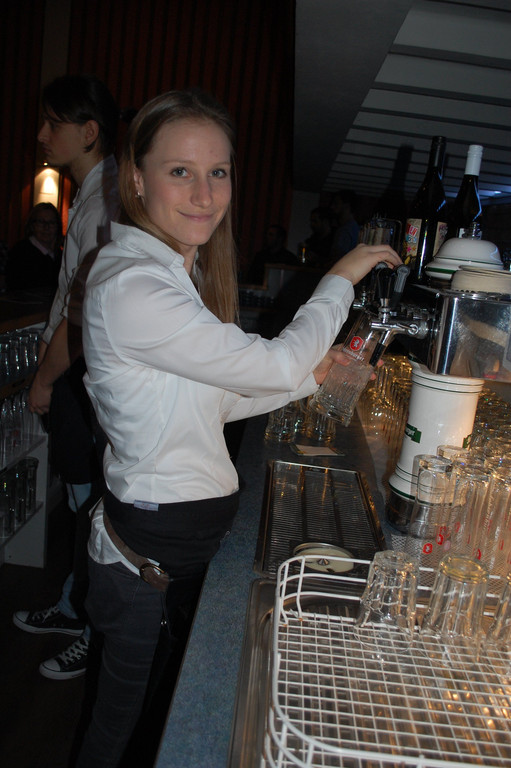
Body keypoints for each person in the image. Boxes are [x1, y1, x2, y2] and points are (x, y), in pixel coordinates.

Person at [74, 88, 400, 767]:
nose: (203, 194)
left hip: (161, 545)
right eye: (180, 171)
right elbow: (274, 362)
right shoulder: (136, 286)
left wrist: (312, 377)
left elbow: (213, 404)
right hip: (148, 557)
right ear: (137, 179)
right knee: (120, 735)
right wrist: (339, 277)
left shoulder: (160, 273)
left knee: (138, 723)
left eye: (217, 172)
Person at [12, 75, 119, 681]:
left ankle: (89, 624)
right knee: (87, 504)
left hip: (82, 376)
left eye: (54, 123)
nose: (41, 134)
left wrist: (46, 381)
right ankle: (77, 607)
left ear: (89, 131)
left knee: (92, 507)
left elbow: (85, 315)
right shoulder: (94, 194)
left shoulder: (104, 204)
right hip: (81, 375)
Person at [5, 203, 62, 294]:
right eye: (41, 222)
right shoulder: (21, 252)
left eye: (51, 222)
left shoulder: (60, 255)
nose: (46, 227)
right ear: (32, 225)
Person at [329, 189, 360, 264]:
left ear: (347, 206)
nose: (332, 207)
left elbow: (339, 258)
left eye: (336, 203)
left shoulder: (348, 230)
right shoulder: (349, 228)